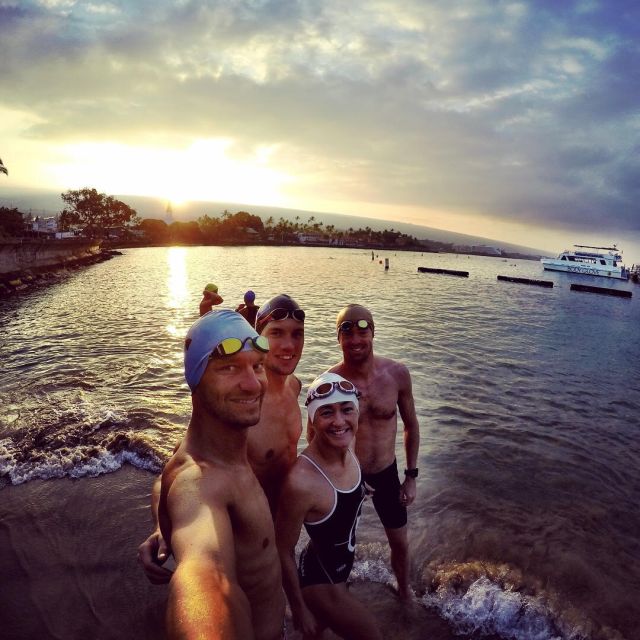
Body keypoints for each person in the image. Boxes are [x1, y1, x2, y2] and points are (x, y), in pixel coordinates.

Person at [138, 293, 305, 582]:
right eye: (277, 334)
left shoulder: (295, 387)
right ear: (257, 338)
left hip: (279, 523)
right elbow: (178, 470)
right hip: (241, 531)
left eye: (297, 334)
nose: (289, 345)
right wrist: (162, 529)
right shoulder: (242, 407)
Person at [155, 309, 285, 640]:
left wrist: (161, 526)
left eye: (257, 366)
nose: (253, 384)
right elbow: (204, 574)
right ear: (196, 380)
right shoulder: (201, 482)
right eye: (228, 368)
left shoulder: (206, 447)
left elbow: (163, 481)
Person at [276, 372, 383, 640]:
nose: (339, 421)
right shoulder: (301, 482)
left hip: (339, 570)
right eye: (326, 412)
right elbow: (282, 550)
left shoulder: (347, 445)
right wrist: (299, 608)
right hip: (320, 582)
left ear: (357, 413)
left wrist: (360, 489)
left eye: (347, 410)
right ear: (313, 420)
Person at [328, 304, 420, 601]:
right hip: (345, 477)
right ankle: (338, 598)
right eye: (347, 332)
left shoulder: (397, 374)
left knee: (400, 543)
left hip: (385, 473)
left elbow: (410, 425)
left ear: (373, 333)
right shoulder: (331, 383)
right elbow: (314, 437)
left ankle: (404, 594)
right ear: (338, 338)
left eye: (362, 331)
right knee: (338, 545)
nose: (356, 339)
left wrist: (411, 476)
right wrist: (347, 472)